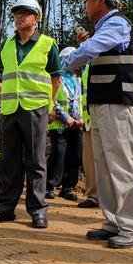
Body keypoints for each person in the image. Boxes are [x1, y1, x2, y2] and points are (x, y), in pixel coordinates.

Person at [64, 0, 133, 249]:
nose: (85, 5)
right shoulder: (103, 28)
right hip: (103, 105)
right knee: (104, 164)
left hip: (118, 104)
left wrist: (71, 60)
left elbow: (91, 49)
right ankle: (113, 222)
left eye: (87, 0)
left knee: (122, 163)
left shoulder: (117, 23)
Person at [0, 0, 62, 229]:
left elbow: (56, 78)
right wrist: (5, 88)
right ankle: (6, 207)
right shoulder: (8, 45)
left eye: (25, 13)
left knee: (35, 161)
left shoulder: (48, 44)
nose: (20, 17)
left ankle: (37, 210)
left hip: (35, 109)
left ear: (36, 18)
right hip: (9, 109)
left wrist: (49, 105)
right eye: (17, 13)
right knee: (8, 161)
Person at [45, 46, 83, 202]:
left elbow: (80, 101)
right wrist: (65, 117)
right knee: (58, 154)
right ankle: (48, 185)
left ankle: (67, 188)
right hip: (59, 125)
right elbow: (53, 101)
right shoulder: (56, 79)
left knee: (75, 155)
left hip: (76, 125)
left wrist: (80, 118)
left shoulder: (78, 79)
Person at [77, 64, 100, 209]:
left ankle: (110, 198)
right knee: (89, 161)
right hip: (88, 119)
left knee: (107, 160)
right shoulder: (86, 67)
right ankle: (93, 196)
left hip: (104, 117)